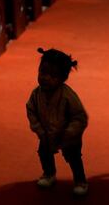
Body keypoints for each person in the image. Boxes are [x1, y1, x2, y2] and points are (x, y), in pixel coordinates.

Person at [26, 47, 89, 196]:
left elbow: (79, 117)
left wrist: (69, 133)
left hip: (68, 135)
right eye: (42, 72)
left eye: (52, 75)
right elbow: (31, 110)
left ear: (62, 78)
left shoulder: (68, 96)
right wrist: (39, 129)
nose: (45, 77)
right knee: (44, 152)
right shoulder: (36, 94)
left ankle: (80, 181)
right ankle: (49, 174)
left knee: (73, 158)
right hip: (46, 133)